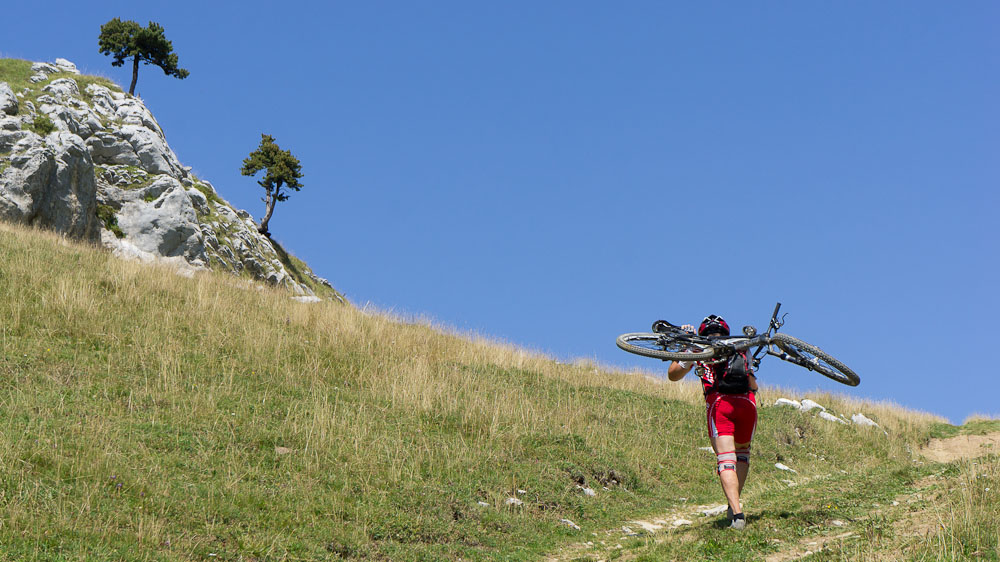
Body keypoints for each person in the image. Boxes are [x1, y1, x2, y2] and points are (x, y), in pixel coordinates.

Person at [667, 314, 758, 530]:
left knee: (726, 460)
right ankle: (732, 502)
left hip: (720, 404)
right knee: (742, 454)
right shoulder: (741, 346)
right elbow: (753, 382)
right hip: (747, 404)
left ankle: (737, 514)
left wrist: (686, 343)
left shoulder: (697, 348)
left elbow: (673, 375)